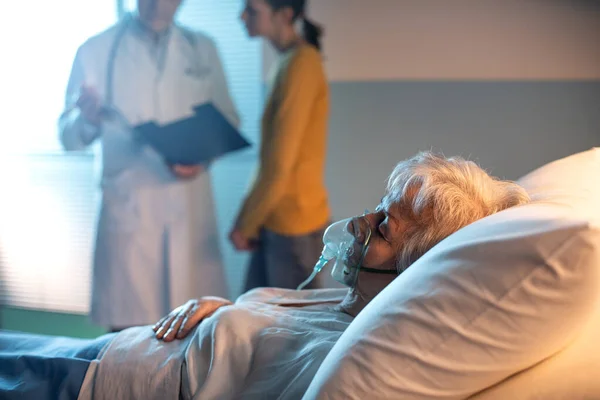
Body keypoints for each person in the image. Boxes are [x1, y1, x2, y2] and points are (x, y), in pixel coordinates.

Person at [0, 152, 530, 399]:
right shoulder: (348, 303)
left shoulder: (364, 349)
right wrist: (225, 309)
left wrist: (227, 323)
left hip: (114, 382)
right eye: (379, 206)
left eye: (386, 226)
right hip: (128, 352)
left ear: (414, 266)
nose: (361, 223)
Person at [58, 0, 240, 332]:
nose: (157, 4)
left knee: (194, 345)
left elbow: (228, 119)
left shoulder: (202, 48)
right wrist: (88, 120)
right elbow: (67, 137)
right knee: (128, 349)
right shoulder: (96, 49)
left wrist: (202, 157)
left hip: (188, 212)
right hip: (130, 219)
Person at [228, 0, 331, 291]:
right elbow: (270, 159)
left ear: (285, 14)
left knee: (287, 331)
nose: (242, 15)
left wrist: (246, 223)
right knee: (256, 324)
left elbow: (279, 165)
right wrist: (249, 217)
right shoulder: (288, 62)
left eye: (252, 9)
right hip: (277, 218)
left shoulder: (301, 64)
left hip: (293, 225)